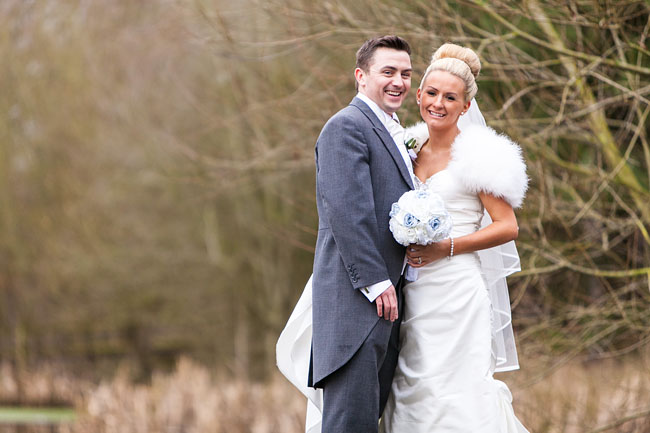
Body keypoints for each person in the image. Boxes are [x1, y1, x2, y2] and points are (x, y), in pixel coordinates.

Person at [379, 43, 529, 432]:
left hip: (458, 292)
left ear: (465, 106)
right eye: (432, 94)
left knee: (460, 394)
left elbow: (507, 226)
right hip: (414, 293)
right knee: (416, 389)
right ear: (418, 96)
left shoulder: (479, 154)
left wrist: (446, 247)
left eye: (450, 98)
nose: (439, 104)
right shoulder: (406, 148)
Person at [296, 35, 415, 433]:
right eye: (388, 72)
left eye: (405, 73)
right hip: (358, 307)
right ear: (361, 76)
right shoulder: (345, 127)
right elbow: (347, 213)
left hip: (388, 307)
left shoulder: (394, 131)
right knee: (349, 424)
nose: (399, 81)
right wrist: (377, 281)